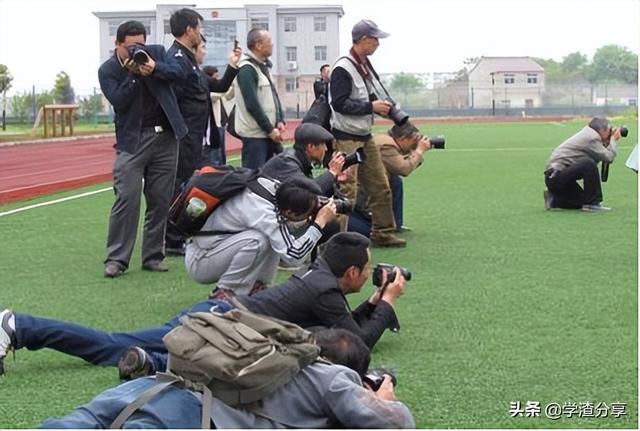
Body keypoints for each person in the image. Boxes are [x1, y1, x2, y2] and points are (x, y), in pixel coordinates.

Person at [0, 232, 407, 376]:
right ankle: (20, 326)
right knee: (111, 346)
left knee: (119, 347)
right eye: (367, 270)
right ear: (350, 273)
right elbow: (359, 348)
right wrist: (386, 303)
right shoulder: (324, 291)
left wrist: (372, 303)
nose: (370, 274)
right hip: (214, 325)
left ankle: (24, 328)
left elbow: (344, 335)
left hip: (217, 320)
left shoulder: (322, 283)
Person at [39, 329, 415, 429]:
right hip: (189, 413)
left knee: (73, 423)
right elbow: (397, 424)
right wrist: (385, 397)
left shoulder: (270, 346)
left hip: (153, 383)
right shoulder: (333, 379)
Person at [99, 20, 187, 278]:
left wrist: (154, 68)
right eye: (130, 47)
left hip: (167, 137)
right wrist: (134, 75)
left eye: (141, 44)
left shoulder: (156, 54)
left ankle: (153, 256)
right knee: (127, 197)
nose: (137, 50)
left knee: (160, 200)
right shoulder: (108, 70)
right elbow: (118, 101)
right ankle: (117, 258)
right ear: (117, 45)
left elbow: (182, 74)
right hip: (133, 140)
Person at [165, 10, 241, 256]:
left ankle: (180, 233)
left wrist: (232, 65)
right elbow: (172, 101)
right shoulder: (177, 59)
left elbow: (217, 86)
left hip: (196, 138)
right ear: (189, 30)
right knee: (178, 186)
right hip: (184, 138)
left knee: (193, 183)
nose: (201, 34)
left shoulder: (189, 62)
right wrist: (181, 132)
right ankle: (172, 238)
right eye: (199, 28)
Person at [184, 176, 337, 295]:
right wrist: (319, 222)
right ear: (290, 212)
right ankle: (226, 293)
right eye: (308, 212)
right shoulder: (263, 212)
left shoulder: (274, 189)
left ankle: (258, 290)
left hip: (215, 247)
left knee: (271, 237)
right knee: (259, 240)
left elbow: (285, 229)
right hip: (201, 259)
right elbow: (294, 256)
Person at [329, 19, 405, 248]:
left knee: (381, 185)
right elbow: (339, 103)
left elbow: (368, 97)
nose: (378, 44)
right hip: (345, 137)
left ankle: (382, 232)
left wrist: (386, 109)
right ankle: (336, 242)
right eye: (375, 39)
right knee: (346, 191)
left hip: (363, 135)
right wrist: (371, 107)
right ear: (363, 40)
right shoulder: (343, 67)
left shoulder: (363, 64)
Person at [349, 121, 431, 235]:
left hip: (362, 191)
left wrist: (415, 152)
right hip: (359, 197)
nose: (415, 144)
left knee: (395, 180)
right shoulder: (386, 145)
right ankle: (383, 225)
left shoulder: (384, 138)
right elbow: (403, 169)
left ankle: (395, 224)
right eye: (414, 141)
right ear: (403, 138)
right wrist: (419, 151)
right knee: (366, 231)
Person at [234, 27, 285, 169]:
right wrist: (269, 129)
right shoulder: (247, 69)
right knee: (253, 179)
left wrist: (280, 119)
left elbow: (273, 95)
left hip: (267, 135)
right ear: (258, 45)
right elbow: (252, 104)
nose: (272, 44)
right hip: (255, 137)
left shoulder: (262, 67)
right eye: (269, 41)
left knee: (270, 178)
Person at [544, 117, 620, 212]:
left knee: (583, 201)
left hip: (555, 177)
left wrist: (607, 142)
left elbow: (601, 155)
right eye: (609, 130)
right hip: (556, 176)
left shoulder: (588, 133)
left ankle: (554, 199)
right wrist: (613, 140)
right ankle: (592, 204)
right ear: (602, 130)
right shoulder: (591, 137)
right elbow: (609, 157)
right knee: (588, 163)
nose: (610, 133)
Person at [202, 65, 235, 166]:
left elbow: (229, 96)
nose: (217, 79)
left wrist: (234, 84)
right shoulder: (208, 91)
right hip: (214, 126)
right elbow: (218, 95)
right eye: (215, 77)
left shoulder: (216, 91)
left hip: (221, 124)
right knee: (215, 155)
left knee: (222, 154)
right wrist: (223, 87)